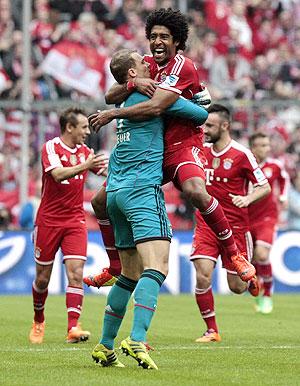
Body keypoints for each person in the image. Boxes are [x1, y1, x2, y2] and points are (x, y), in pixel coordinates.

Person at [87, 8, 256, 289]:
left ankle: (235, 254)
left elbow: (156, 105)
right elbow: (110, 94)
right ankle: (115, 266)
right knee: (99, 201)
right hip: (151, 150)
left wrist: (112, 115)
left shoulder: (183, 66)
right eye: (153, 36)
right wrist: (134, 81)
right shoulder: (147, 66)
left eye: (164, 36)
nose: (157, 42)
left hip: (181, 144)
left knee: (194, 192)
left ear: (176, 40)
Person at [91, 49, 209, 369]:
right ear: (133, 74)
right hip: (142, 190)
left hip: (115, 192)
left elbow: (112, 92)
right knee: (156, 268)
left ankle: (104, 344)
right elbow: (200, 116)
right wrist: (198, 95)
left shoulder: (122, 99)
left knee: (128, 276)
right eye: (141, 62)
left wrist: (130, 88)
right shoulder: (153, 93)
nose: (147, 61)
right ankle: (137, 337)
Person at [190, 104, 271, 343]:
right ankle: (211, 330)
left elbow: (263, 186)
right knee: (203, 275)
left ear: (225, 126)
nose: (205, 130)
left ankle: (251, 277)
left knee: (236, 287)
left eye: (210, 126)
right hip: (206, 224)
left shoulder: (241, 154)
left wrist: (247, 198)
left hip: (235, 227)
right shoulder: (199, 151)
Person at [29, 107, 108, 344]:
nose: (87, 131)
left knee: (75, 274)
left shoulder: (85, 152)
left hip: (75, 221)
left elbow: (106, 170)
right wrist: (87, 165)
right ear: (69, 127)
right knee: (42, 279)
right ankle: (39, 320)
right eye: (83, 127)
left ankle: (73, 327)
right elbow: (57, 175)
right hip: (48, 221)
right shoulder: (51, 148)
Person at [249, 132, 289, 314]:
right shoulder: (244, 164)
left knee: (262, 254)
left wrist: (283, 196)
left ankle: (267, 296)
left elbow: (284, 179)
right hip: (245, 218)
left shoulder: (275, 165)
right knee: (252, 259)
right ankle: (258, 290)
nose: (266, 148)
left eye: (267, 145)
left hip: (267, 218)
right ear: (253, 148)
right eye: (262, 145)